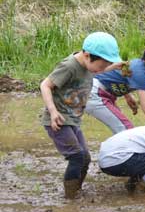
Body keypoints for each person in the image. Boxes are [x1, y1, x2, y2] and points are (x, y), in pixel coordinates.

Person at [40, 32, 123, 199]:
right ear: (87, 56)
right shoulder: (69, 66)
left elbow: (97, 69)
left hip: (73, 120)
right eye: (101, 66)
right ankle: (70, 196)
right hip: (58, 120)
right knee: (77, 156)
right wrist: (53, 111)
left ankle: (76, 190)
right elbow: (45, 85)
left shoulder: (88, 64)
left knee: (85, 157)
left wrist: (113, 67)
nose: (101, 70)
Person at [85, 34, 145, 134]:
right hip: (95, 93)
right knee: (126, 130)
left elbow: (120, 76)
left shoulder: (138, 65)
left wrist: (128, 96)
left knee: (123, 128)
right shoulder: (139, 71)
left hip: (103, 94)